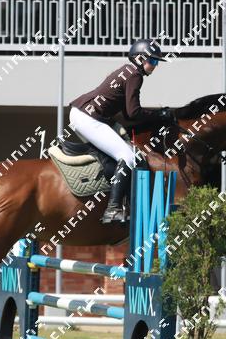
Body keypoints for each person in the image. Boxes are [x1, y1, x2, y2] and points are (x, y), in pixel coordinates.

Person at [69, 38, 173, 223]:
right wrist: (160, 114)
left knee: (117, 152)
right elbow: (134, 112)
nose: (155, 66)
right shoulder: (135, 75)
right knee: (129, 157)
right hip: (88, 118)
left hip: (82, 114)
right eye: (152, 60)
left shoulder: (127, 71)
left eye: (156, 62)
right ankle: (112, 209)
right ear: (140, 58)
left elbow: (128, 113)